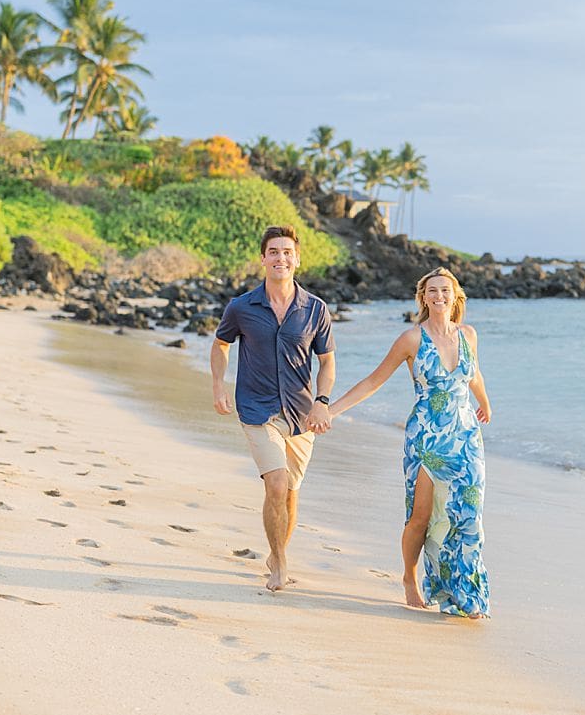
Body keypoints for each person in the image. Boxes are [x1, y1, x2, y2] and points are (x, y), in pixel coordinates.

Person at [330, 267, 492, 618]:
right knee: (420, 517)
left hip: (465, 438)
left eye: (445, 291)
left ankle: (466, 595)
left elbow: (473, 373)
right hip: (426, 439)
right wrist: (333, 410)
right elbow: (374, 381)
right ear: (423, 298)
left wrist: (485, 403)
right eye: (432, 291)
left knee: (467, 516)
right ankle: (409, 577)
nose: (439, 296)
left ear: (455, 296)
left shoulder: (469, 335)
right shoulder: (411, 340)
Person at [210, 225, 335, 591]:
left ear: (297, 259)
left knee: (291, 491)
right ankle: (279, 563)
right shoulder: (241, 307)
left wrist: (322, 402)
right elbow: (221, 345)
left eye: (287, 252)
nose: (281, 258)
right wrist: (219, 385)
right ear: (263, 259)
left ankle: (276, 550)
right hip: (257, 409)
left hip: (301, 414)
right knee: (277, 485)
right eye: (274, 252)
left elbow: (327, 361)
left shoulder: (315, 309)